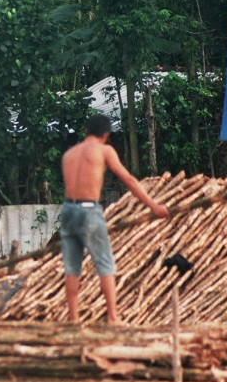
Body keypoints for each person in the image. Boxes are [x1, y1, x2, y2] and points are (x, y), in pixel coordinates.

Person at [60, 113, 169, 324]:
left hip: (68, 209)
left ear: (86, 131)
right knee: (105, 263)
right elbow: (128, 179)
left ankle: (73, 317)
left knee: (72, 266)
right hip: (88, 209)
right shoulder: (104, 150)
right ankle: (113, 316)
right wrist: (154, 206)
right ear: (106, 134)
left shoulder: (69, 154)